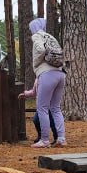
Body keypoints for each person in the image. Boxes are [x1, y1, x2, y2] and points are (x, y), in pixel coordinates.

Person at [20, 18, 66, 148]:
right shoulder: (50, 36)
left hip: (47, 74)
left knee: (42, 108)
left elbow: (40, 50)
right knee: (56, 108)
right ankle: (61, 138)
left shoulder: (37, 36)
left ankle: (45, 140)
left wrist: (36, 64)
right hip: (60, 73)